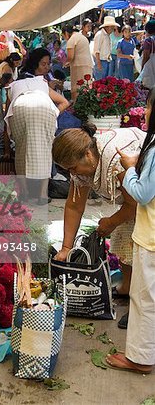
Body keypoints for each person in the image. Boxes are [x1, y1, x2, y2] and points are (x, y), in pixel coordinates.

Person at [52, 125, 146, 326]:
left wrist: (111, 222)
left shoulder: (115, 161)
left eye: (72, 168)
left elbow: (136, 204)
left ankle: (142, 309)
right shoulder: (83, 166)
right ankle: (128, 288)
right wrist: (66, 248)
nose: (72, 173)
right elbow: (74, 206)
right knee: (123, 237)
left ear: (88, 154)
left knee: (142, 245)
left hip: (147, 197)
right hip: (135, 199)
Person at [106, 87, 155, 374]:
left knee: (145, 300)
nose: (145, 111)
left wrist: (129, 172)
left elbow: (143, 194)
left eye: (148, 107)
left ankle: (140, 359)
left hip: (151, 238)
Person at [4, 51, 69, 205]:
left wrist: (7, 149)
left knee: (21, 149)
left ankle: (25, 194)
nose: (47, 67)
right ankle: (42, 195)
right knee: (46, 148)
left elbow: (6, 118)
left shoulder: (13, 86)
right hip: (44, 107)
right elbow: (65, 102)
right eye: (44, 64)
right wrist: (54, 113)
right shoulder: (42, 84)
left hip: (19, 107)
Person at [62, 25, 93, 101]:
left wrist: (64, 63)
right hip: (87, 64)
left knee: (77, 88)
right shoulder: (82, 37)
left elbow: (70, 57)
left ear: (66, 33)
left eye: (63, 36)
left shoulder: (72, 39)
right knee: (87, 86)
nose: (65, 38)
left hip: (78, 66)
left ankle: (76, 107)